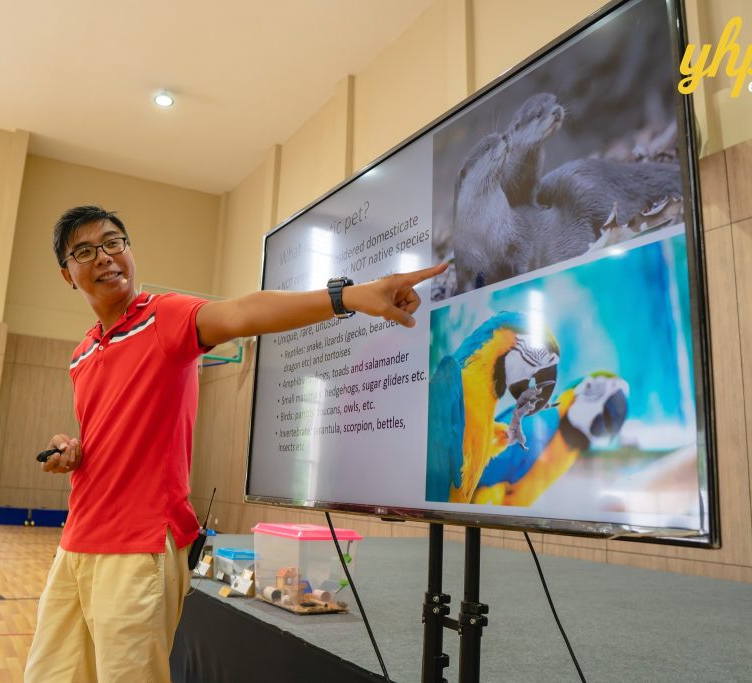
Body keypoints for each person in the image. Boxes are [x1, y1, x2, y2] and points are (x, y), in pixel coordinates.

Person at [23, 205, 446, 682]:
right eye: (84, 251)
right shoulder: (81, 354)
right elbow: (110, 431)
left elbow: (244, 310)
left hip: (137, 545)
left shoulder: (164, 317)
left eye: (113, 242)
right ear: (67, 274)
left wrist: (348, 296)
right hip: (75, 543)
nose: (104, 257)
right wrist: (73, 449)